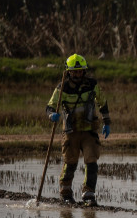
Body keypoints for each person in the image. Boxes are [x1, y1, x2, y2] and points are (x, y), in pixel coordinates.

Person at [45, 54, 112, 206]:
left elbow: (103, 103)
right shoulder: (62, 87)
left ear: (84, 71)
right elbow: (50, 106)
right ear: (68, 72)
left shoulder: (92, 84)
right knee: (70, 163)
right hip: (70, 132)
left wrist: (107, 122)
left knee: (92, 162)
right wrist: (52, 115)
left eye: (80, 71)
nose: (77, 74)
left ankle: (88, 194)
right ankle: (66, 194)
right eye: (74, 72)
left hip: (89, 131)